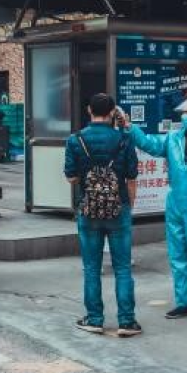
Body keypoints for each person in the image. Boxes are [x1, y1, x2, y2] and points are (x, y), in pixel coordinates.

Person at [121, 92, 187, 321]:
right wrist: (131, 128)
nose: (185, 117)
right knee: (178, 255)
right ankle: (183, 302)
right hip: (176, 205)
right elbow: (149, 143)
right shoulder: (173, 139)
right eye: (183, 113)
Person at [64, 93, 142, 337]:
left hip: (88, 210)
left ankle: (95, 318)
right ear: (112, 113)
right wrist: (129, 204)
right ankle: (127, 321)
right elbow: (131, 177)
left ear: (89, 110)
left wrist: (91, 183)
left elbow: (72, 176)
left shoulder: (75, 139)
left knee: (91, 267)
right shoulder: (124, 140)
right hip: (119, 208)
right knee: (122, 268)